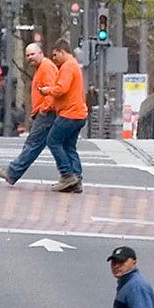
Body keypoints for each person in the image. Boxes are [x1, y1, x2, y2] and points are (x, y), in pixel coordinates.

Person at [0, 43, 59, 186]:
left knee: (33, 144)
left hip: (47, 113)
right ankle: (71, 175)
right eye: (27, 55)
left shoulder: (46, 68)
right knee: (57, 145)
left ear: (40, 53)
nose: (30, 58)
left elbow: (52, 90)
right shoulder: (44, 67)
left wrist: (44, 109)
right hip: (47, 112)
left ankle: (12, 173)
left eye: (32, 54)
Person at [42, 40, 87, 194]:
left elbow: (62, 89)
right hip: (79, 113)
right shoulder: (75, 65)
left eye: (55, 55)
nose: (54, 58)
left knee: (53, 141)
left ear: (62, 51)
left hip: (69, 113)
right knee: (69, 146)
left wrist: (47, 90)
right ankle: (77, 179)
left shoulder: (67, 66)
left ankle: (67, 174)